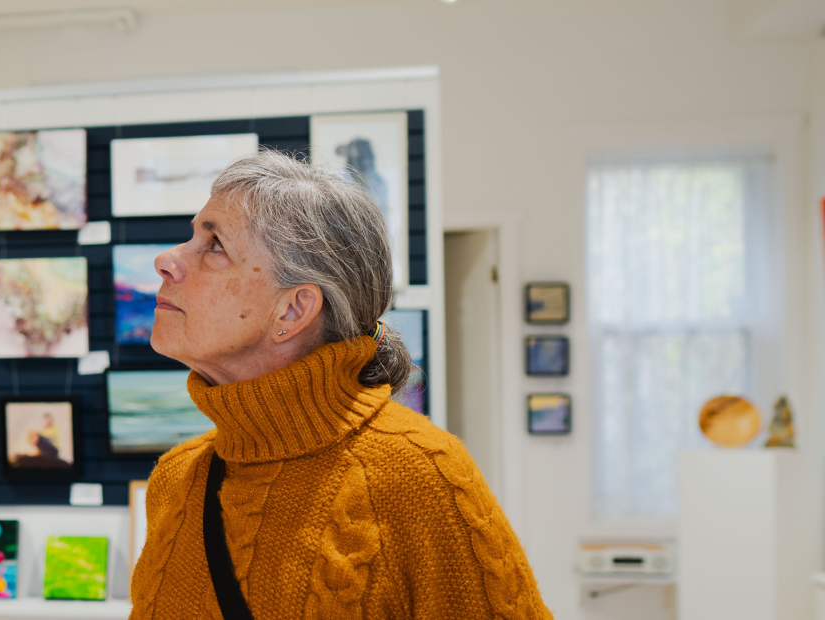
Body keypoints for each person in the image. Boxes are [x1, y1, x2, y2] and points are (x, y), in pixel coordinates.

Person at [128, 150, 550, 619]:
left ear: (293, 310)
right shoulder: (178, 478)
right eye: (193, 236)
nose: (166, 260)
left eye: (214, 246)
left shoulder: (421, 475)